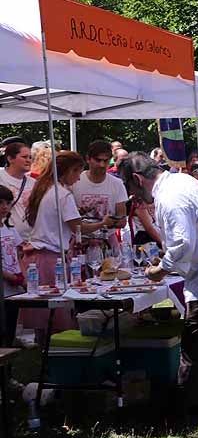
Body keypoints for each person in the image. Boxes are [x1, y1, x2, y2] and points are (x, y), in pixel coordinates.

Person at [118, 153, 198, 423]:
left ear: (138, 179)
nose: (134, 197)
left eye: (131, 189)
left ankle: (179, 416)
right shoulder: (182, 182)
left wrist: (160, 269)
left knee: (194, 351)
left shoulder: (170, 196)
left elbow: (183, 244)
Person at [25, 151, 116, 333]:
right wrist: (103, 223)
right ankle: (59, 351)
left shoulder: (44, 188)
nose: (77, 179)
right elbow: (78, 227)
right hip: (51, 257)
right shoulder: (63, 194)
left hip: (38, 256)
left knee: (44, 316)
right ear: (68, 171)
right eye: (76, 173)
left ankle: (45, 349)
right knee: (58, 314)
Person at [70, 140, 129, 250]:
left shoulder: (117, 184)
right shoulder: (75, 181)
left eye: (105, 161)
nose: (102, 165)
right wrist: (78, 211)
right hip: (80, 242)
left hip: (107, 242)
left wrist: (110, 222)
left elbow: (122, 221)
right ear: (88, 159)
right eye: (98, 160)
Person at [0, 185, 24, 346]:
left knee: (10, 331)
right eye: (0, 203)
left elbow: (18, 253)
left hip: (13, 291)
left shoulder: (9, 229)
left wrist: (20, 275)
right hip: (3, 287)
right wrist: (11, 277)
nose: (4, 207)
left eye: (8, 203)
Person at [0, 141, 34, 237]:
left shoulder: (34, 184)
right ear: (10, 159)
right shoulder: (1, 176)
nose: (28, 160)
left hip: (28, 238)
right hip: (5, 237)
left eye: (30, 157)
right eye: (24, 157)